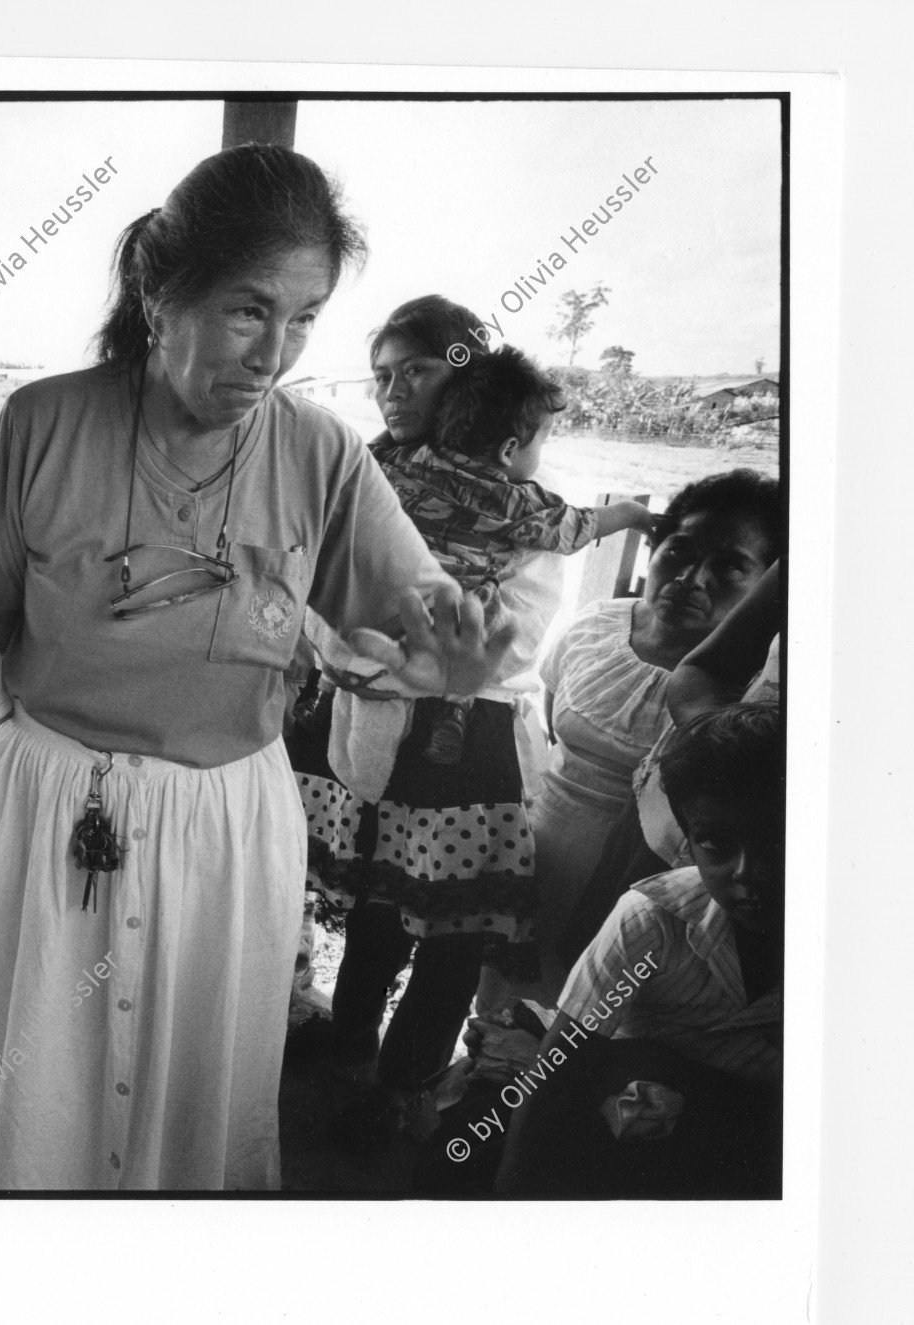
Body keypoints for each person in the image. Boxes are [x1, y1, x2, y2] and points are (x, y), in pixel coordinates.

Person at [0, 147, 513, 1190]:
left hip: (225, 822)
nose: (276, 352)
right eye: (248, 310)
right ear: (161, 296)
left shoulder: (322, 453)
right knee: (38, 1087)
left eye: (305, 318)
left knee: (195, 1086)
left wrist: (446, 652)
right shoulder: (44, 421)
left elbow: (420, 603)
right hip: (43, 803)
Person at [284, 300, 574, 1146]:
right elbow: (322, 588)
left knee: (446, 928)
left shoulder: (516, 500)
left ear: (468, 375)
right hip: (366, 723)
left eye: (415, 370)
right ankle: (350, 1031)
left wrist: (374, 650)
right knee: (376, 902)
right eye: (381, 374)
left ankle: (403, 1084)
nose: (393, 391)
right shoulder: (373, 475)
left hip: (463, 739)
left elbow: (505, 636)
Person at [495, 704, 783, 1197]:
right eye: (716, 845)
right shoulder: (652, 922)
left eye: (776, 839)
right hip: (631, 1118)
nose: (746, 872)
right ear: (688, 845)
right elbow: (560, 1071)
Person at [528, 469, 780, 995]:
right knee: (503, 1004)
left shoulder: (748, 696)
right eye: (679, 552)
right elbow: (553, 728)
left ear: (767, 589)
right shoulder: (596, 626)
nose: (693, 578)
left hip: (633, 882)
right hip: (535, 860)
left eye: (729, 566)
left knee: (585, 1016)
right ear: (653, 551)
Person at [372, 343, 653, 763]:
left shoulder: (405, 459)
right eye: (540, 442)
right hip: (448, 610)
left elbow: (368, 457)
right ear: (508, 451)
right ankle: (454, 708)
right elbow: (575, 528)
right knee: (480, 610)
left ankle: (320, 695)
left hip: (386, 594)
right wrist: (630, 513)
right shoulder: (516, 500)